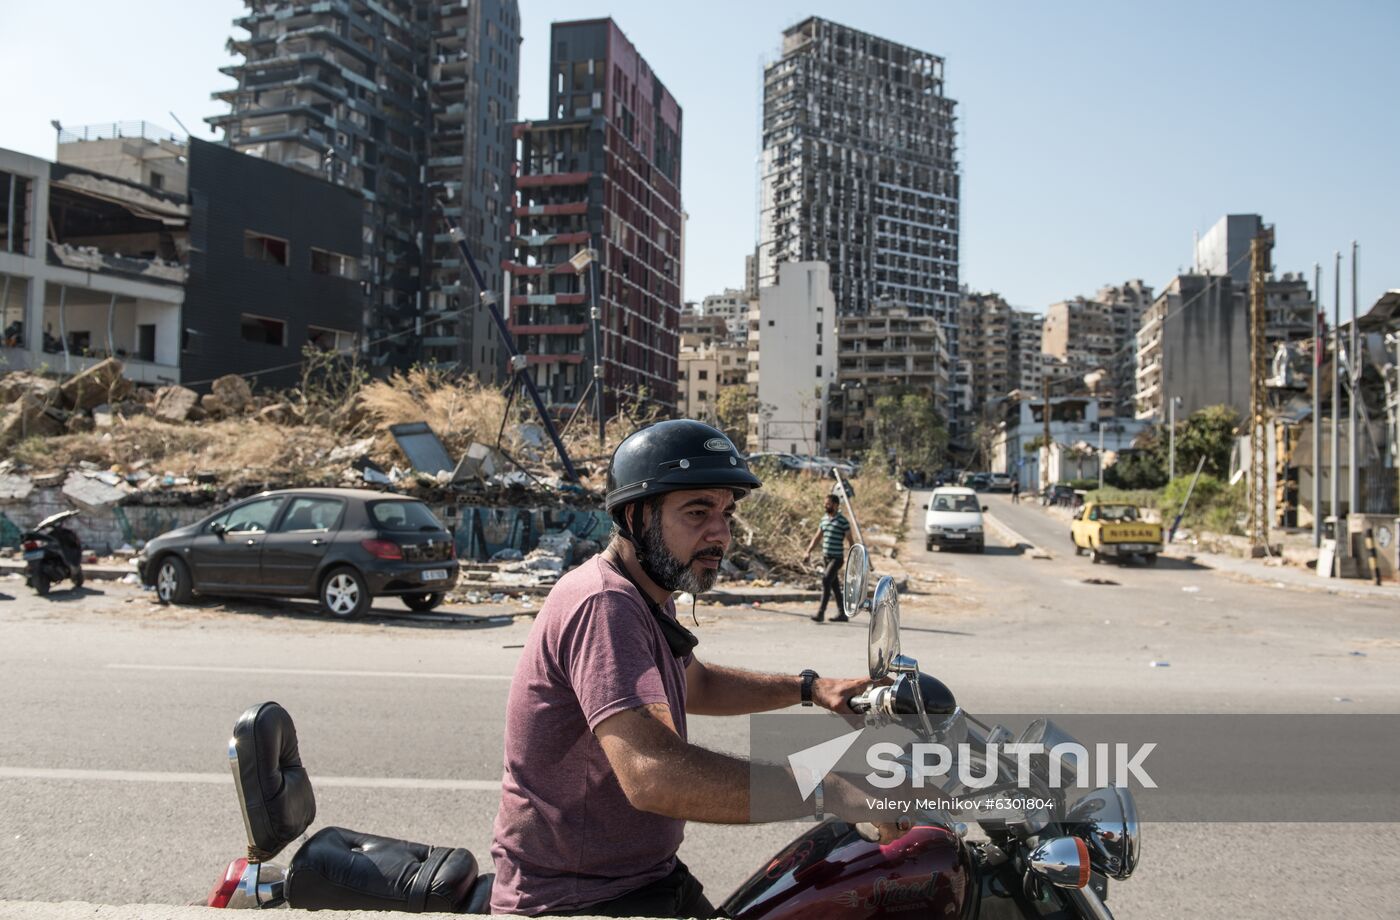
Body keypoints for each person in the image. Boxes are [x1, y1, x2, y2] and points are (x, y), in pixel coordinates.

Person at [490, 420, 876, 918]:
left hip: (642, 878)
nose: (720, 533)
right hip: (575, 900)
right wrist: (833, 789)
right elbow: (654, 776)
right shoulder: (605, 603)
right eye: (697, 512)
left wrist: (811, 688)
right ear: (635, 516)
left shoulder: (648, 595)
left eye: (726, 513)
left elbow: (693, 683)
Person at [801, 493, 853, 623]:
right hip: (826, 558)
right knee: (834, 585)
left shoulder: (843, 521)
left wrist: (854, 560)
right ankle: (842, 614)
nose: (825, 506)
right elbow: (817, 537)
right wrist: (808, 552)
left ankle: (820, 613)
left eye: (828, 504)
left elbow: (851, 541)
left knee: (825, 580)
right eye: (825, 503)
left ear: (835, 505)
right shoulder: (824, 519)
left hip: (837, 558)